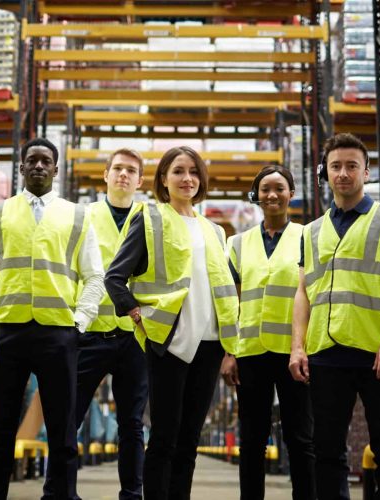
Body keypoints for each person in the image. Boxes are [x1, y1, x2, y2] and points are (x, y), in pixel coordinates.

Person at [105, 146, 239, 500]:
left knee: (189, 441)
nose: (187, 178)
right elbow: (115, 278)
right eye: (178, 171)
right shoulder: (150, 219)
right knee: (164, 438)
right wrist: (138, 316)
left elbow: (221, 288)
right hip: (168, 342)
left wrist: (230, 347)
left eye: (194, 171)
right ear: (163, 179)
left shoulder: (214, 231)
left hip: (210, 344)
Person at [289, 133, 380, 500]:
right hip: (327, 354)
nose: (343, 173)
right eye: (335, 166)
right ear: (325, 173)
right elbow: (304, 293)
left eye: (351, 166)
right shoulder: (312, 232)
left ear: (366, 171)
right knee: (327, 452)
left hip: (379, 354)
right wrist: (298, 347)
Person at [0, 137, 105, 500]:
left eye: (45, 161)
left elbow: (94, 275)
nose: (38, 166)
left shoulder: (77, 215)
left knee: (63, 426)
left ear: (55, 168)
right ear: (21, 168)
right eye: (31, 161)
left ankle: (60, 495)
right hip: (7, 329)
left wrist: (80, 322)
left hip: (58, 333)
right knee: (1, 425)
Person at [220, 166, 316, 500]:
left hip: (294, 354)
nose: (272, 195)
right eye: (264, 189)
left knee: (301, 438)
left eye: (279, 188)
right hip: (249, 353)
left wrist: (303, 348)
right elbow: (229, 301)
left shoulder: (309, 237)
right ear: (255, 195)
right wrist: (228, 353)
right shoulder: (238, 243)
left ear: (291, 193)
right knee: (252, 440)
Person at [72, 149, 148, 499]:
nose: (123, 175)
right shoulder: (84, 216)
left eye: (131, 170)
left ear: (140, 180)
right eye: (117, 168)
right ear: (105, 175)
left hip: (136, 336)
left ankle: (132, 494)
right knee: (69, 418)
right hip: (90, 334)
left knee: (132, 424)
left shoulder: (152, 218)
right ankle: (60, 491)